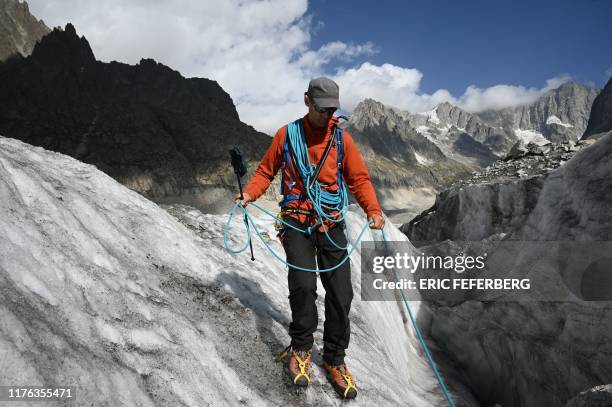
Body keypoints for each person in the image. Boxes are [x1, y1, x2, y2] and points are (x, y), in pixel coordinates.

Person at [236, 77, 384, 399]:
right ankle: (301, 349)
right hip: (297, 222)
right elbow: (265, 171)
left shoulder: (341, 141)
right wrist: (249, 194)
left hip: (330, 222)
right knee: (303, 286)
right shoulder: (287, 135)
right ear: (307, 101)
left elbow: (358, 179)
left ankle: (334, 358)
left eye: (333, 110)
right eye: (322, 109)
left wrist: (373, 209)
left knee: (341, 293)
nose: (328, 116)